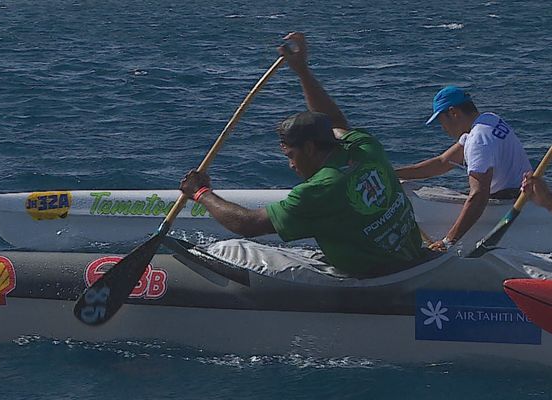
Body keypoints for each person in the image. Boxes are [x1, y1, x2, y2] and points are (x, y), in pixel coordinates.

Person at [179, 32, 424, 279]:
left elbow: (248, 225)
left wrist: (200, 193)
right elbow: (335, 121)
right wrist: (302, 70)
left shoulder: (318, 191)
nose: (290, 165)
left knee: (229, 249)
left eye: (291, 155)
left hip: (372, 282)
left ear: (309, 148)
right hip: (408, 260)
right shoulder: (365, 146)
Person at [396, 86, 532, 251]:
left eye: (441, 120)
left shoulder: (478, 141)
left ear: (453, 112)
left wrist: (448, 241)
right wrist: (390, 174)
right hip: (524, 196)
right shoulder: (489, 120)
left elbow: (479, 195)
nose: (443, 128)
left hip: (509, 205)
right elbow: (442, 162)